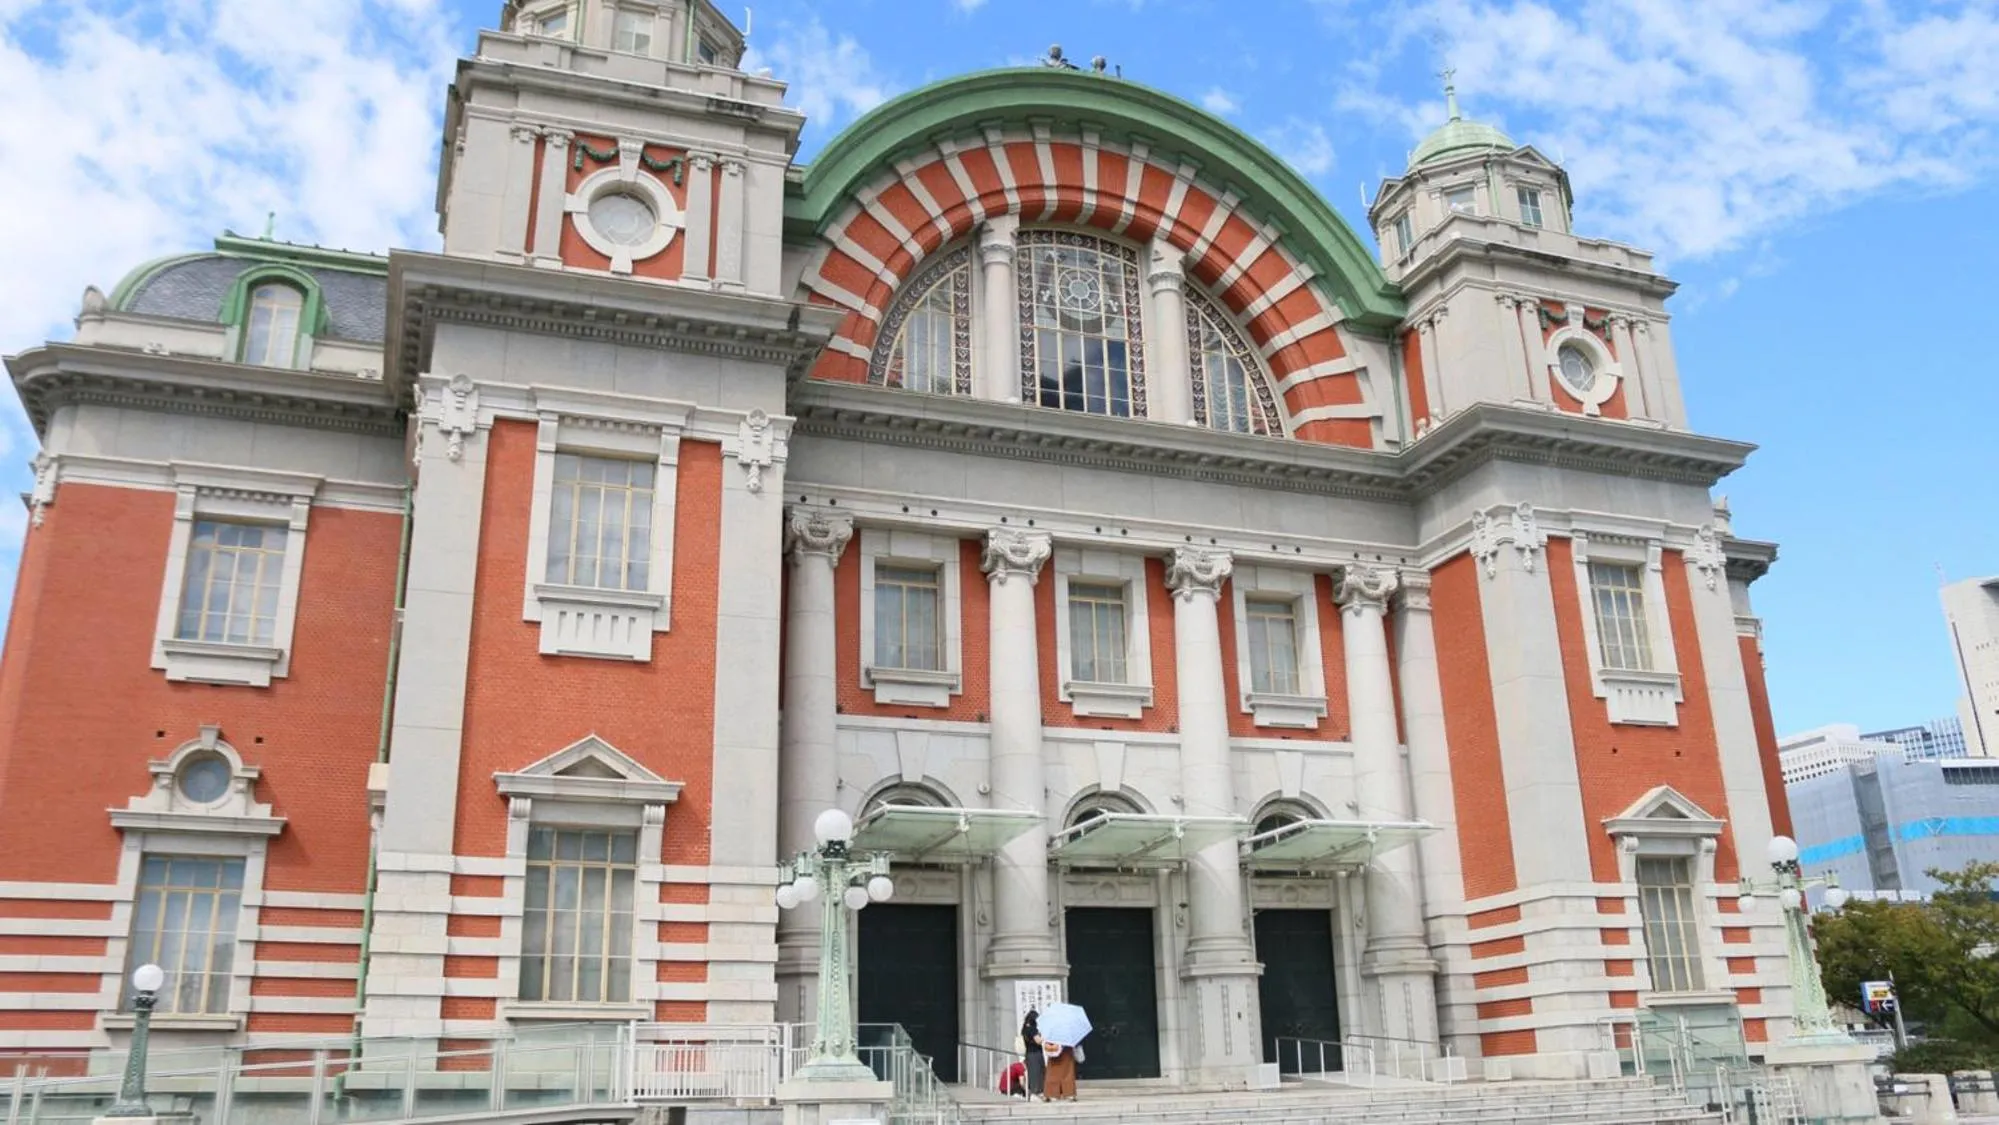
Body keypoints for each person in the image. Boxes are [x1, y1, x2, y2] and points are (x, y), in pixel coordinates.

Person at [1020, 1010, 1046, 1100]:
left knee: (1032, 1074)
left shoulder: (1024, 1028)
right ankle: (1037, 1093)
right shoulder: (1032, 1029)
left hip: (1029, 1054)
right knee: (1037, 1073)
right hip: (1035, 1054)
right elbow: (1038, 1041)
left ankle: (1032, 1093)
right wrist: (1044, 1036)